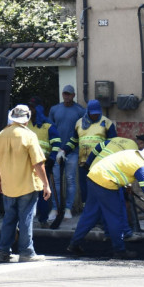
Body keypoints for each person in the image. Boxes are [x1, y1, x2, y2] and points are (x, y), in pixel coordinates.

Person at [65, 144, 144, 259]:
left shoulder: (131, 153)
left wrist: (125, 185)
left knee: (90, 215)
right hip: (105, 183)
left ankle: (74, 244)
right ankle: (119, 250)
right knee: (115, 217)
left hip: (93, 177)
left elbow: (119, 168)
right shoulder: (140, 166)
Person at [0, 104, 51, 263]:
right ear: (27, 118)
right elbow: (38, 163)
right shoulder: (29, 136)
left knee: (9, 218)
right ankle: (26, 252)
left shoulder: (1, 135)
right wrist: (46, 184)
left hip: (8, 185)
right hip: (27, 185)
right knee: (26, 218)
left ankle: (3, 252)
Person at [68, 99, 117, 206]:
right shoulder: (79, 123)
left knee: (100, 188)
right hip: (83, 163)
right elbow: (74, 141)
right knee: (85, 188)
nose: (95, 116)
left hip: (100, 163)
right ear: (88, 112)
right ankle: (87, 212)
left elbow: (113, 142)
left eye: (97, 114)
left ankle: (100, 213)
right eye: (93, 114)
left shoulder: (107, 123)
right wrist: (64, 150)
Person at [48, 85, 86, 219]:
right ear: (62, 94)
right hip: (57, 150)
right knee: (56, 181)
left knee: (70, 180)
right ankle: (55, 208)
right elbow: (50, 130)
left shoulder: (80, 111)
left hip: (73, 151)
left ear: (73, 95)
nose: (67, 96)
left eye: (69, 94)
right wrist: (55, 149)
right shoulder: (54, 109)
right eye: (65, 94)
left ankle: (68, 209)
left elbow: (82, 132)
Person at [25, 97, 59, 226]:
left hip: (42, 165)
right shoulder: (26, 124)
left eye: (32, 107)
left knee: (43, 193)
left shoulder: (48, 125)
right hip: (26, 165)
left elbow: (56, 143)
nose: (30, 110)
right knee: (26, 194)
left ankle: (43, 219)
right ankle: (26, 221)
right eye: (29, 107)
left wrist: (52, 158)